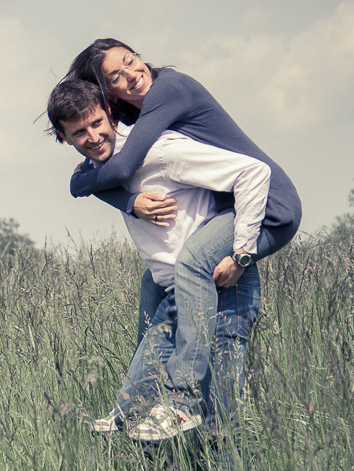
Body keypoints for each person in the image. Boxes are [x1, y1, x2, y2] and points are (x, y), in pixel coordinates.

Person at [63, 38, 301, 418]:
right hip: (233, 208)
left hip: (270, 207)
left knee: (190, 264)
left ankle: (180, 394)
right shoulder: (133, 115)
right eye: (117, 76)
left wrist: (242, 255)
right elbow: (111, 174)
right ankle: (138, 403)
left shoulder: (168, 90)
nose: (131, 74)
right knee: (153, 282)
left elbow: (121, 170)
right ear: (108, 91)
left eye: (130, 60)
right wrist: (117, 197)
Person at [46, 79, 262, 440]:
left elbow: (253, 172)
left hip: (222, 286)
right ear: (63, 136)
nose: (94, 136)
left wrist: (241, 252)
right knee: (155, 410)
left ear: (111, 115)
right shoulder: (101, 169)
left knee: (222, 423)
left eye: (97, 123)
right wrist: (130, 202)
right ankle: (125, 417)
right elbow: (80, 182)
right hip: (177, 292)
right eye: (79, 132)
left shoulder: (159, 152)